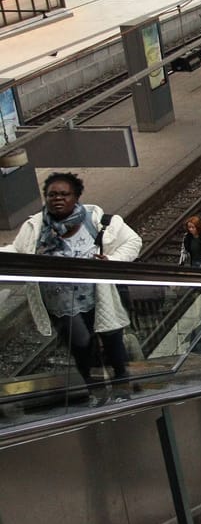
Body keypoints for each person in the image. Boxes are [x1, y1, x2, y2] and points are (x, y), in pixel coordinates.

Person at [1, 172, 141, 405]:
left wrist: (112, 261)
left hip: (99, 298)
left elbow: (133, 241)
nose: (57, 199)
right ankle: (97, 393)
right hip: (62, 305)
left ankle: (122, 390)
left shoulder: (97, 220)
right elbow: (18, 251)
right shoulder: (35, 227)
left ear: (76, 197)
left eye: (64, 194)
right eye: (52, 194)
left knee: (113, 344)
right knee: (82, 350)